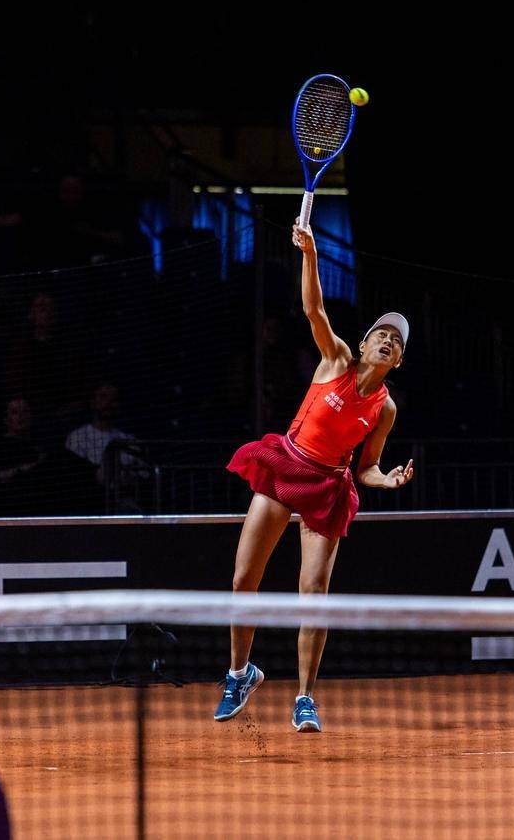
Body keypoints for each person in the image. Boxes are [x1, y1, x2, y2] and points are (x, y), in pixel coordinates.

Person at [214, 220, 415, 733]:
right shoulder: (336, 359)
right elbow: (314, 309)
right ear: (364, 343)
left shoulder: (385, 408)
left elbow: (366, 466)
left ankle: (304, 697)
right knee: (244, 579)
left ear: (398, 360)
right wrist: (310, 253)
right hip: (287, 464)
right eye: (382, 334)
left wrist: (386, 480)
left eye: (396, 341)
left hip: (328, 486)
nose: (388, 340)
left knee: (313, 592)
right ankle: (239, 673)